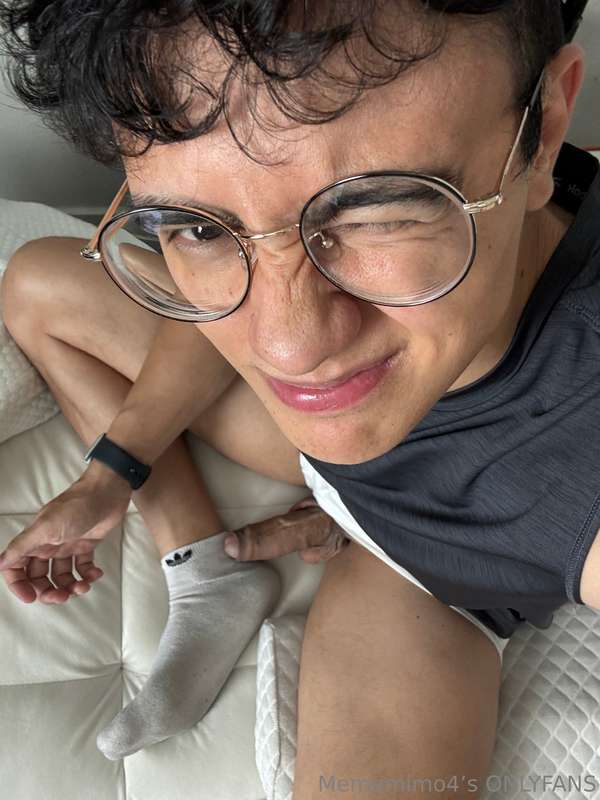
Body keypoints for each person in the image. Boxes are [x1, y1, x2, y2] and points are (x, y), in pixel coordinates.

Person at [0, 0, 598, 795]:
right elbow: (230, 301)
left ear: (545, 127)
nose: (288, 352)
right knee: (37, 280)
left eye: (378, 210)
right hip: (351, 491)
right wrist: (110, 473)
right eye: (200, 229)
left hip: (416, 575)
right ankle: (204, 565)